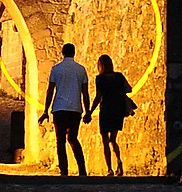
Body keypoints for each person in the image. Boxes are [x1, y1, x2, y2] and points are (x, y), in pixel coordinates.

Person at [40, 42, 90, 176]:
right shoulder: (81, 70)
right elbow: (85, 92)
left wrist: (45, 110)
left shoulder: (56, 69)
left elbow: (50, 90)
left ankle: (64, 170)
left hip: (59, 109)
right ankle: (82, 169)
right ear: (74, 53)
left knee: (60, 140)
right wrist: (88, 111)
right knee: (73, 138)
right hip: (75, 109)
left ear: (62, 53)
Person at [86, 53, 134, 176]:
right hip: (118, 111)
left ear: (100, 65)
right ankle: (119, 161)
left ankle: (110, 169)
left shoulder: (100, 78)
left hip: (106, 110)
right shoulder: (119, 76)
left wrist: (90, 112)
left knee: (105, 141)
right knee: (113, 139)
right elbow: (129, 89)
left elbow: (98, 97)